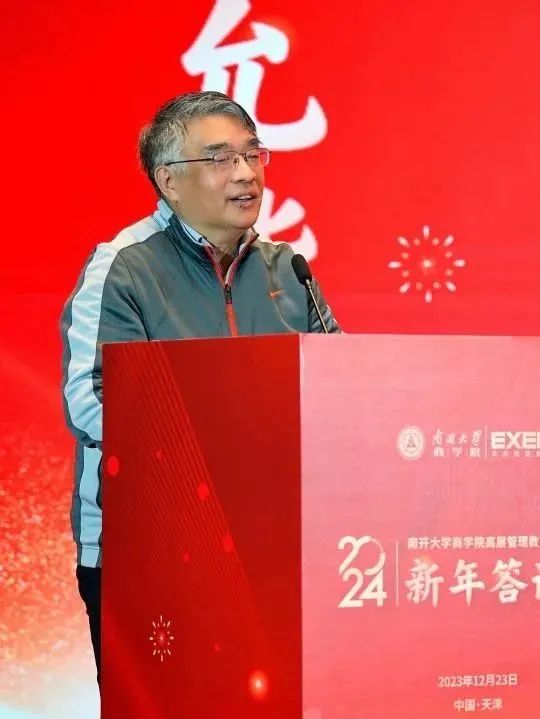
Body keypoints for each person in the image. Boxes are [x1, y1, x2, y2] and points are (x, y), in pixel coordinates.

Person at [60, 90, 340, 683]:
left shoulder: (287, 269)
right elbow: (91, 402)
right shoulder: (124, 267)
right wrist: (220, 443)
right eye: (219, 159)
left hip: (275, 547)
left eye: (252, 154)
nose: (245, 174)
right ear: (169, 181)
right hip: (151, 552)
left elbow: (344, 388)